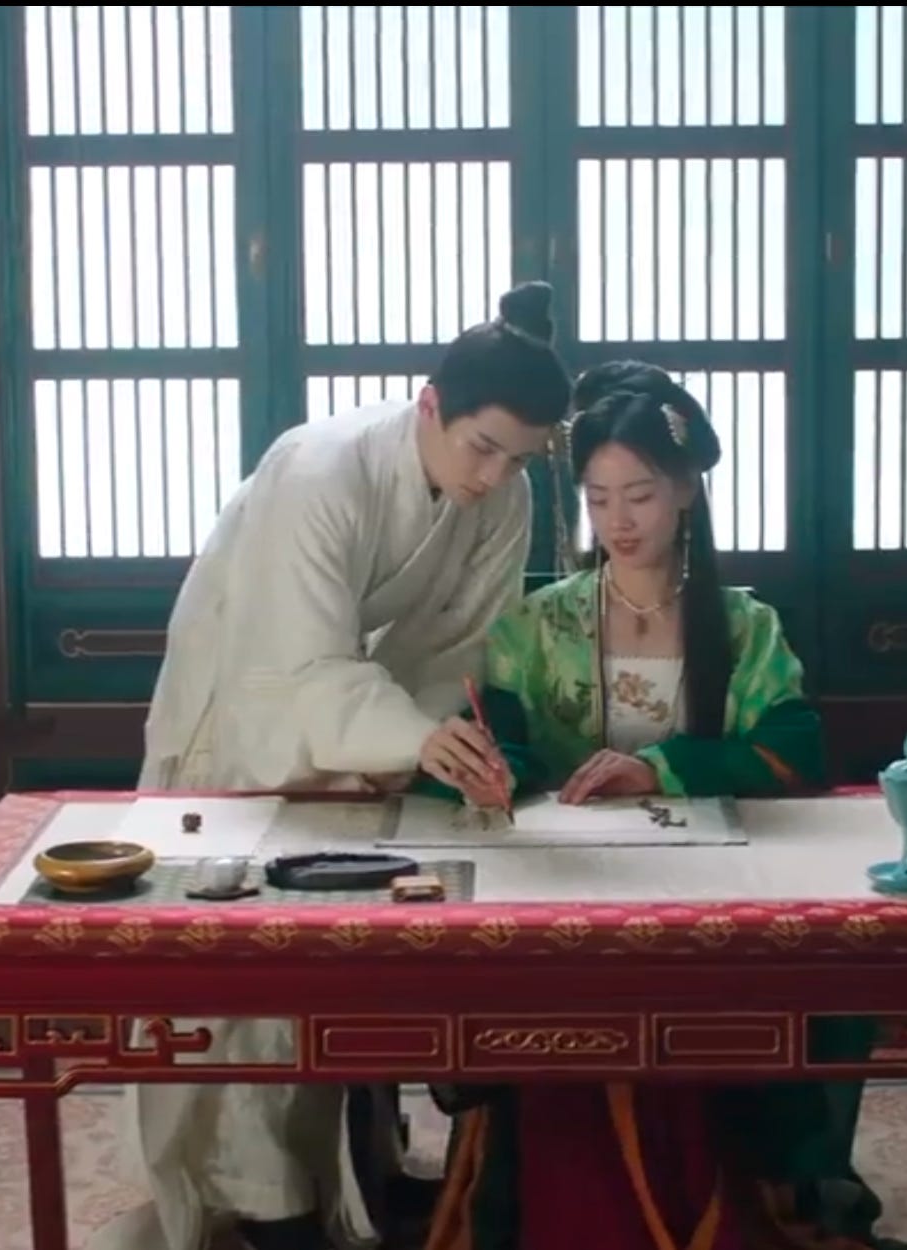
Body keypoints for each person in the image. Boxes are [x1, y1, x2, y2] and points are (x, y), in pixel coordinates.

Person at [116, 281, 571, 1250]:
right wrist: (408, 735)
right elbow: (296, 662)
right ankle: (262, 1205)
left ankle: (362, 1176)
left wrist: (433, 738)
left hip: (361, 733)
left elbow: (459, 642)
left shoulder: (505, 493)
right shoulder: (320, 469)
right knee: (247, 990)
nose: (495, 474)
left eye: (519, 457)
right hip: (248, 710)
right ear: (429, 405)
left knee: (352, 962)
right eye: (482, 446)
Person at [421, 361, 898, 1250]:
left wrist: (663, 768)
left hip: (713, 888)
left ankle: (749, 1191)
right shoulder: (540, 622)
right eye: (598, 499)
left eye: (639, 495)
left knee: (806, 971)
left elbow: (794, 752)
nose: (619, 521)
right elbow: (508, 738)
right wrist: (491, 767)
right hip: (571, 883)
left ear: (685, 490)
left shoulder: (744, 625)